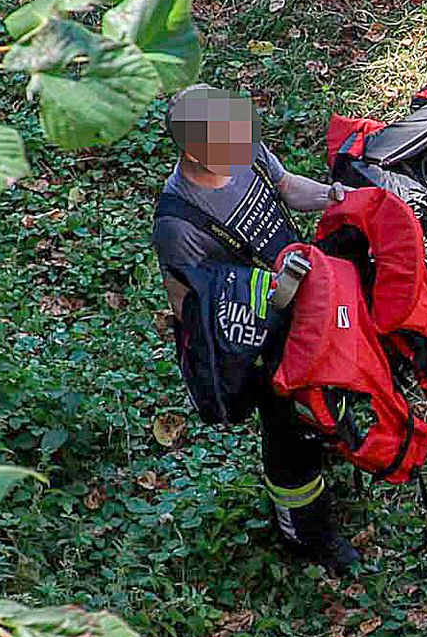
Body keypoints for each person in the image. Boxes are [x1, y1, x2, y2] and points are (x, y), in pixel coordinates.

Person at [151, 85, 355, 573]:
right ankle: (307, 534)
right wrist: (261, 310)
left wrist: (330, 196)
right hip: (263, 345)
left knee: (332, 393)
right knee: (290, 442)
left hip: (307, 308)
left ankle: (338, 441)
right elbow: (190, 308)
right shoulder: (179, 224)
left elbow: (284, 186)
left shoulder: (244, 149)